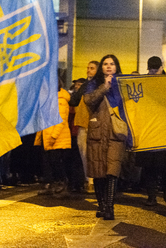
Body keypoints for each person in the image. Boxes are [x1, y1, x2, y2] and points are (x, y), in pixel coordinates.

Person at [84, 54, 126, 220]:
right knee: (99, 172)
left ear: (117, 67)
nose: (109, 66)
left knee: (111, 172)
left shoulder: (123, 84)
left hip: (116, 132)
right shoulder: (94, 84)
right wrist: (104, 87)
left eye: (112, 64)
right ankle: (102, 205)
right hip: (97, 133)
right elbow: (88, 100)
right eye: (106, 64)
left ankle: (110, 207)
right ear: (102, 67)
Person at [135, 56, 166, 206]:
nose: (152, 72)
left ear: (161, 68)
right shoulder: (144, 82)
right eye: (151, 69)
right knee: (149, 165)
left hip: (165, 129)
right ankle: (151, 195)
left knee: (165, 164)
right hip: (148, 128)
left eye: (155, 69)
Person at [35, 78, 71, 197]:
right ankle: (51, 184)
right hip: (47, 136)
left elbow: (61, 120)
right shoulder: (47, 99)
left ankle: (62, 184)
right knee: (48, 162)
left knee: (56, 162)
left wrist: (54, 136)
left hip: (57, 137)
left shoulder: (60, 100)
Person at [69, 61, 100, 193]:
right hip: (82, 123)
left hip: (95, 124)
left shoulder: (99, 85)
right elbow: (74, 100)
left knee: (94, 154)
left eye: (92, 68)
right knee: (84, 154)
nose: (88, 70)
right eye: (88, 68)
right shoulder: (86, 85)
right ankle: (89, 181)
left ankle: (94, 181)